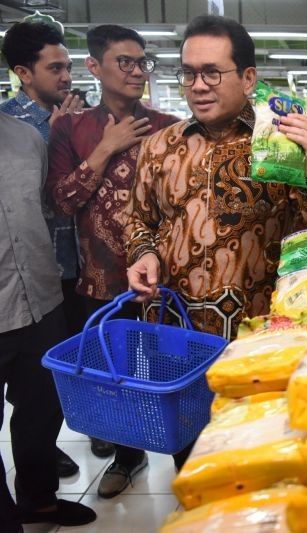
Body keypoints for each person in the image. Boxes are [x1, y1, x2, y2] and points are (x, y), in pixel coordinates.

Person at [125, 15, 307, 339]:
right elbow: (139, 220)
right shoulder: (159, 146)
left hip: (257, 334)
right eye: (189, 73)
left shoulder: (280, 143)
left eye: (212, 72)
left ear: (248, 78)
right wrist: (143, 254)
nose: (198, 85)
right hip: (172, 328)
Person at [45, 24, 179, 500]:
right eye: (125, 62)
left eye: (143, 62)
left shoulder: (168, 127)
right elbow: (62, 201)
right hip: (101, 280)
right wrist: (106, 147)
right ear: (95, 67)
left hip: (163, 279)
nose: (137, 71)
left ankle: (188, 458)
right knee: (114, 376)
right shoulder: (70, 129)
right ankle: (127, 456)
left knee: (167, 368)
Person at [0, 19, 109, 479]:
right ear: (24, 73)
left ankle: (47, 469)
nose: (66, 77)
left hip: (67, 269)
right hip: (27, 275)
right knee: (35, 385)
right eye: (55, 68)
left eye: (68, 66)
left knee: (56, 379)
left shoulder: (70, 118)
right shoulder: (20, 130)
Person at [0, 111, 97, 530]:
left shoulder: (26, 137)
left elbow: (47, 209)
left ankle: (40, 502)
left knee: (41, 410)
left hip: (40, 299)